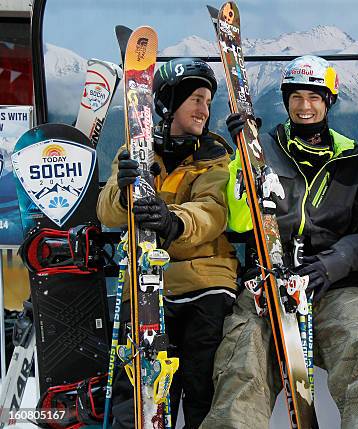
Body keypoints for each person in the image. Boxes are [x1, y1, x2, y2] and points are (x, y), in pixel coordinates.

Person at [201, 55, 358, 428]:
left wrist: (332, 265)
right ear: (285, 100)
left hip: (333, 286)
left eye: (314, 97)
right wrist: (243, 161)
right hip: (269, 279)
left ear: (329, 101)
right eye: (295, 97)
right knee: (243, 366)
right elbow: (241, 223)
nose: (304, 106)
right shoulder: (265, 148)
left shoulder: (353, 159)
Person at [97, 58, 238, 429]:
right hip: (146, 284)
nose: (204, 110)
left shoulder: (216, 154)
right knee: (140, 397)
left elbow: (213, 209)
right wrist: (124, 195)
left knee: (202, 388)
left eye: (208, 102)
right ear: (168, 102)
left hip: (205, 282)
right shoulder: (136, 150)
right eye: (195, 99)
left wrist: (173, 221)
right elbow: (105, 208)